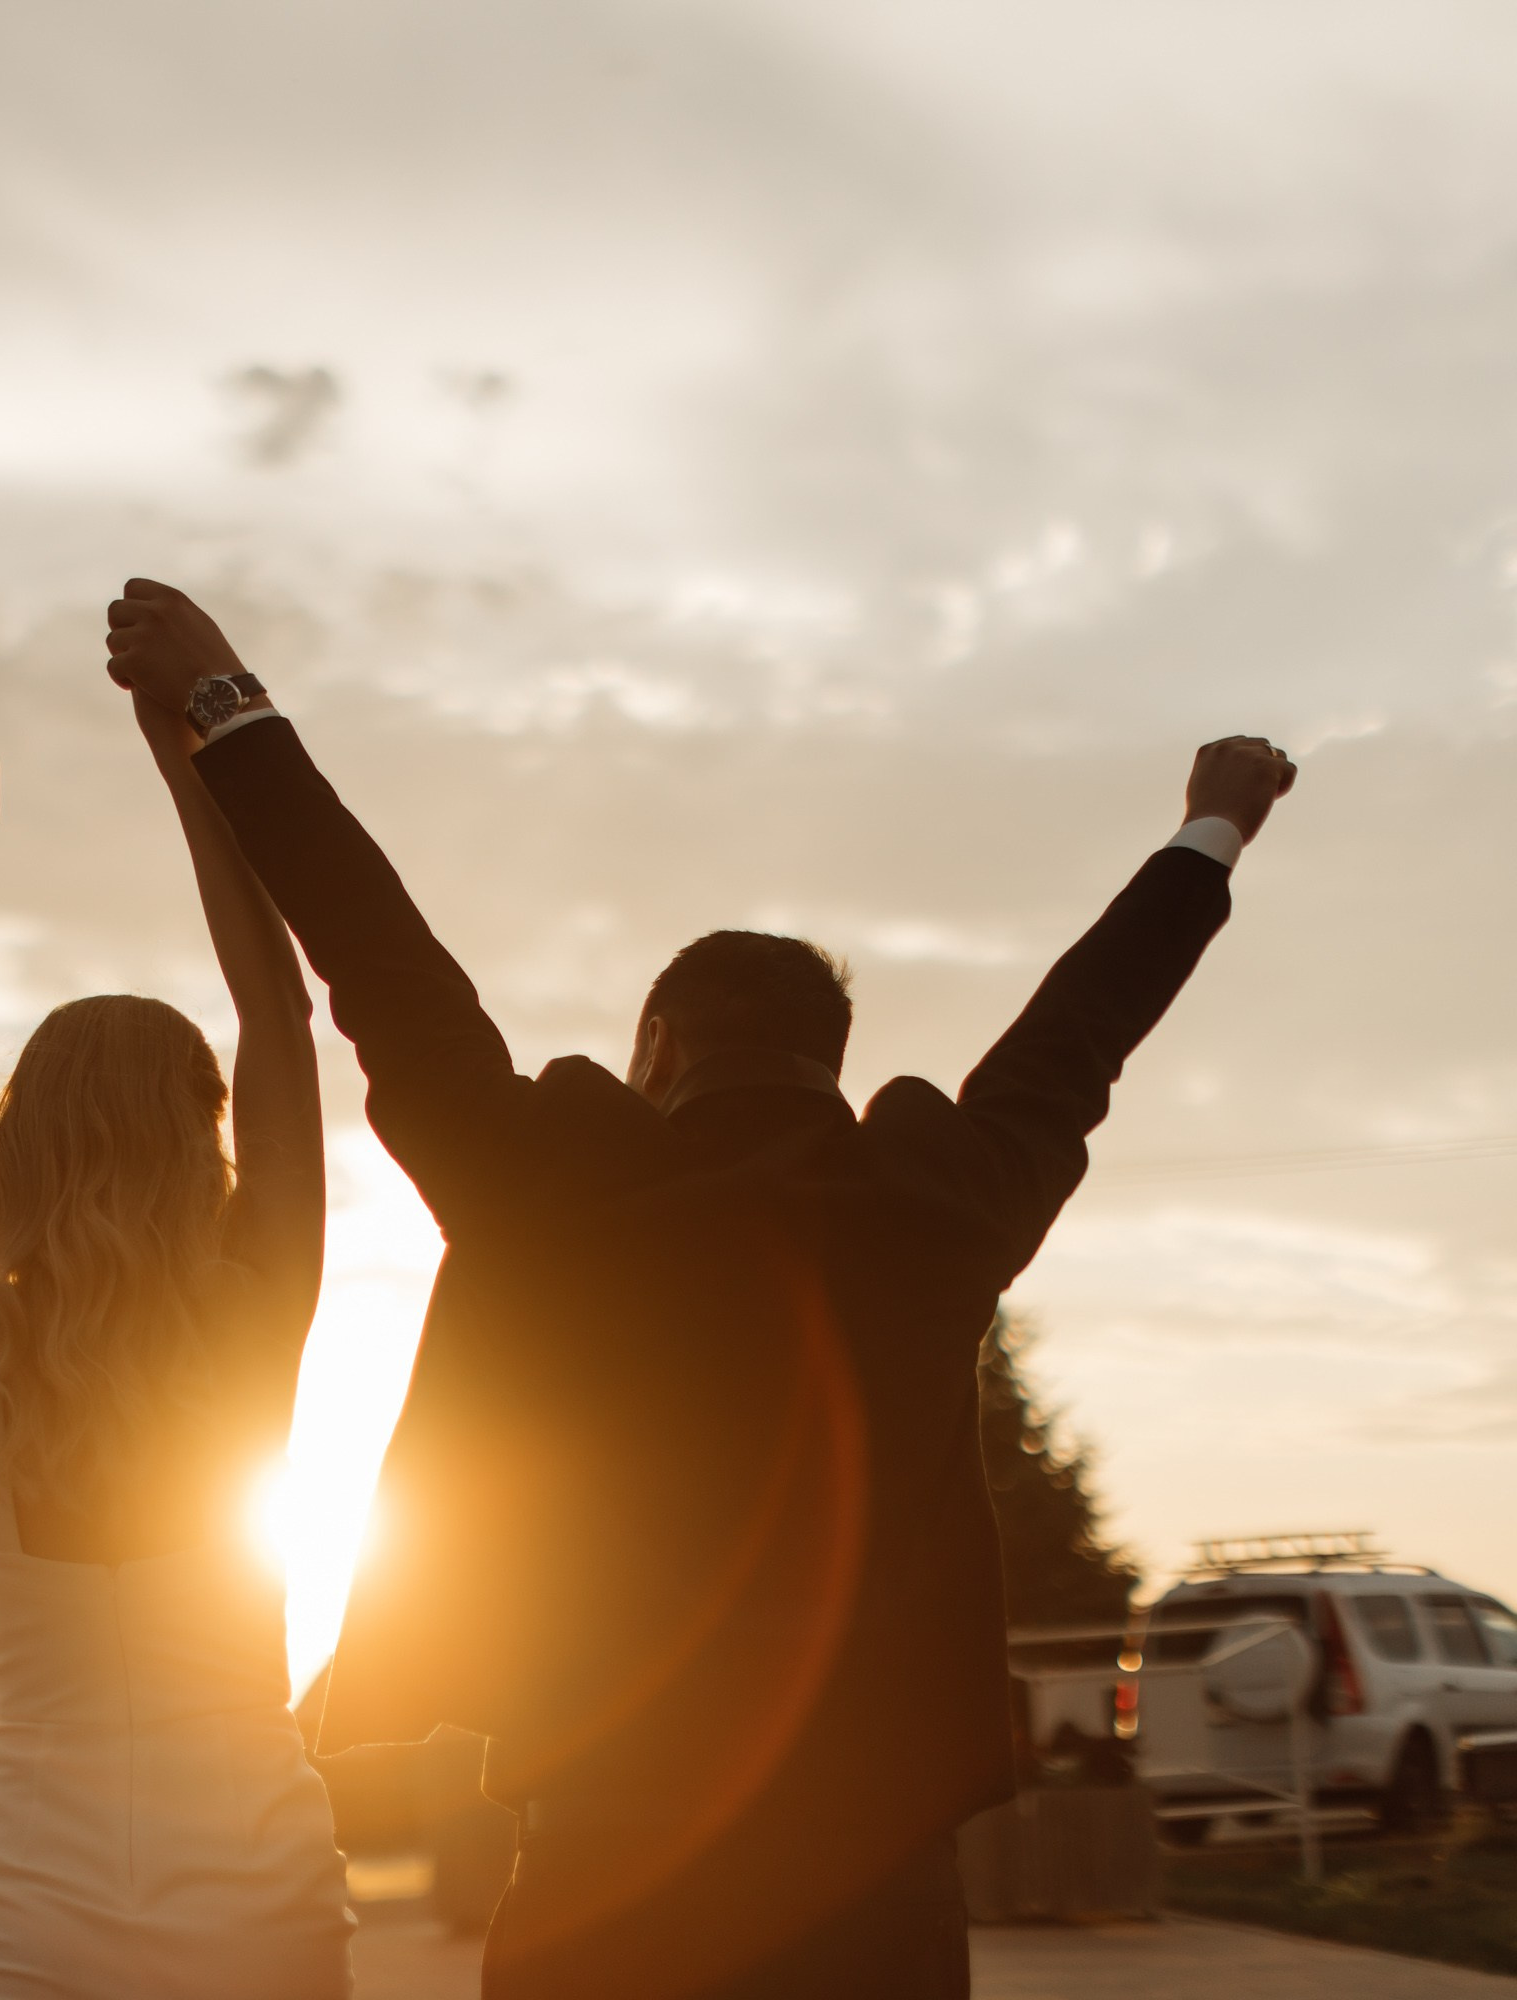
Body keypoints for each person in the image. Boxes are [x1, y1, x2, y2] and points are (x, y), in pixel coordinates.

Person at [104, 578, 1296, 2000]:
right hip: (878, 1903)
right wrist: (1211, 828)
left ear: (656, 1043)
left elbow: (383, 965)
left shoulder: (550, 1188)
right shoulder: (935, 1207)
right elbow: (1077, 1034)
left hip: (611, 1885)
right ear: (832, 1062)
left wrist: (230, 706)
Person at [0, 613, 352, 1999]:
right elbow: (278, 1015)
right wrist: (190, 763)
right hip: (257, 1881)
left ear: (21, 1146)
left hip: (26, 1895)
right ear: (200, 1136)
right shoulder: (255, 1305)